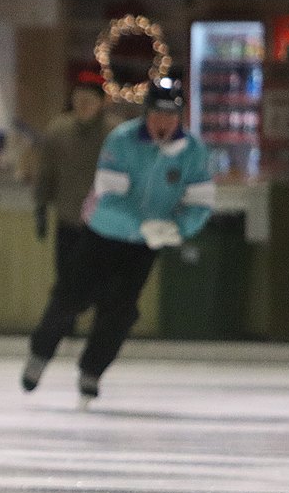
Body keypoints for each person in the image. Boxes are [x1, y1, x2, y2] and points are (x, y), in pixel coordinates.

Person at [22, 77, 213, 405]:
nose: (163, 123)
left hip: (143, 247)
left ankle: (92, 371)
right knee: (69, 298)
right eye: (157, 115)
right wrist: (146, 227)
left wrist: (177, 230)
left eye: (170, 116)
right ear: (146, 114)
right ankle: (40, 354)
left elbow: (199, 202)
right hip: (103, 235)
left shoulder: (193, 152)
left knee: (120, 312)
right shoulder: (122, 140)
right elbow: (108, 197)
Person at [35, 71, 110, 285]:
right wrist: (40, 207)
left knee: (102, 284)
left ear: (101, 102)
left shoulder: (114, 134)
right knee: (66, 284)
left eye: (89, 100)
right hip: (68, 220)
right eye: (79, 99)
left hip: (104, 223)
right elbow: (46, 173)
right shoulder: (58, 131)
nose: (83, 105)